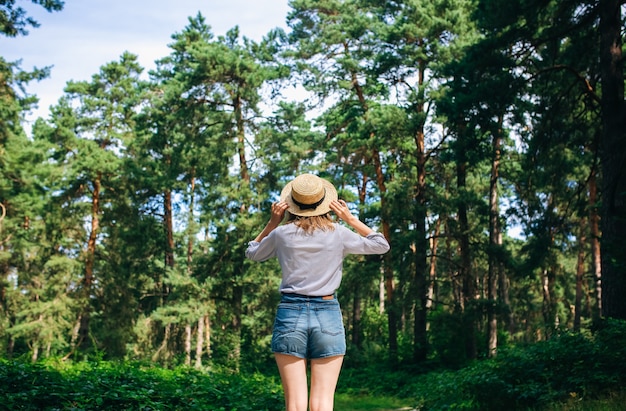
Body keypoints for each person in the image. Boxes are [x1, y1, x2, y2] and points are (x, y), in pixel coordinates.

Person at [245, 173, 390, 411]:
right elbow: (381, 245)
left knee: (295, 405)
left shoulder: (280, 234)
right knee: (323, 404)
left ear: (292, 205)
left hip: (290, 312)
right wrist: (350, 219)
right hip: (327, 313)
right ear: (324, 204)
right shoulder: (338, 232)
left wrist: (272, 223)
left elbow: (252, 252)